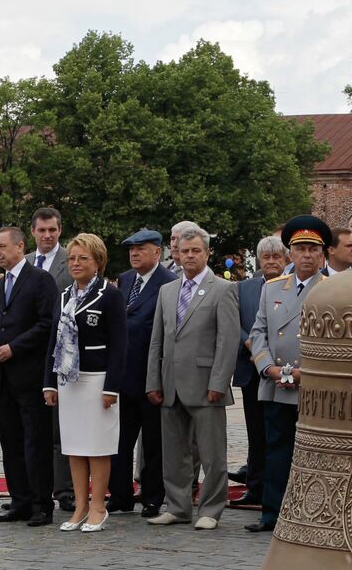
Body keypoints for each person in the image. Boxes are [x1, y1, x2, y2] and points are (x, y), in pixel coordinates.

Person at [146, 225, 239, 530]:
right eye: (184, 251)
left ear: (207, 253)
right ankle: (177, 506)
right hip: (170, 384)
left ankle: (211, 509)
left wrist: (219, 382)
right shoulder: (167, 290)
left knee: (212, 454)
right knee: (174, 453)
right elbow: (157, 341)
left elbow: (227, 341)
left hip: (205, 384)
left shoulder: (223, 289)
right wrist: (153, 381)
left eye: (196, 251)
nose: (189, 256)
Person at [247, 215, 329, 533]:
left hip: (312, 385)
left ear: (322, 255)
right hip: (277, 383)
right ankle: (272, 512)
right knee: (276, 449)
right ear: (290, 255)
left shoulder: (332, 290)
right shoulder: (271, 289)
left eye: (312, 249)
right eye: (300, 249)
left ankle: (311, 511)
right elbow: (258, 333)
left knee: (311, 452)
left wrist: (303, 374)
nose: (306, 255)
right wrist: (270, 368)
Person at [43, 234, 128, 533]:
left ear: (98, 262)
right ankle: (79, 504)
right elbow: (54, 341)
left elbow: (120, 345)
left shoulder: (110, 295)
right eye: (73, 259)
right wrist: (49, 383)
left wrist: (112, 387)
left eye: (83, 259)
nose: (76, 264)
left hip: (97, 379)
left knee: (97, 446)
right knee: (75, 447)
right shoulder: (64, 295)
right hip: (69, 380)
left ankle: (98, 506)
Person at [0, 226, 59, 527]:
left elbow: (46, 325)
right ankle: (20, 499)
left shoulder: (40, 281)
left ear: (20, 247)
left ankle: (42, 503)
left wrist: (14, 347)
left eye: (2, 246)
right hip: (4, 378)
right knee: (11, 442)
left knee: (35, 442)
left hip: (30, 375)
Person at [112, 229, 176, 518]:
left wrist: (158, 378)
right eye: (131, 249)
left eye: (141, 249)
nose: (134, 254)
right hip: (123, 376)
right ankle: (120, 495)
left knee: (153, 444)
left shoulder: (168, 283)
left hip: (151, 377)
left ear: (157, 253)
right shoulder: (125, 280)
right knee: (119, 442)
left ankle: (152, 497)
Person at [231, 235, 286, 507]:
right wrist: (248, 341)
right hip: (251, 371)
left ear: (285, 259)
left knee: (279, 431)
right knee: (255, 432)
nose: (272, 261)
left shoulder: (290, 287)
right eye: (267, 257)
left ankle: (278, 488)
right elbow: (234, 320)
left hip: (283, 371)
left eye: (277, 256)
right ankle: (254, 486)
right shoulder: (244, 288)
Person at [27, 207, 75, 511]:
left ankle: (65, 490)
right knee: (32, 429)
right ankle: (34, 491)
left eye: (53, 230)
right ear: (32, 231)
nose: (47, 235)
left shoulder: (71, 260)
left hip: (60, 353)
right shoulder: (26, 261)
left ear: (60, 231)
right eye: (42, 230)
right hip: (27, 356)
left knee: (60, 430)